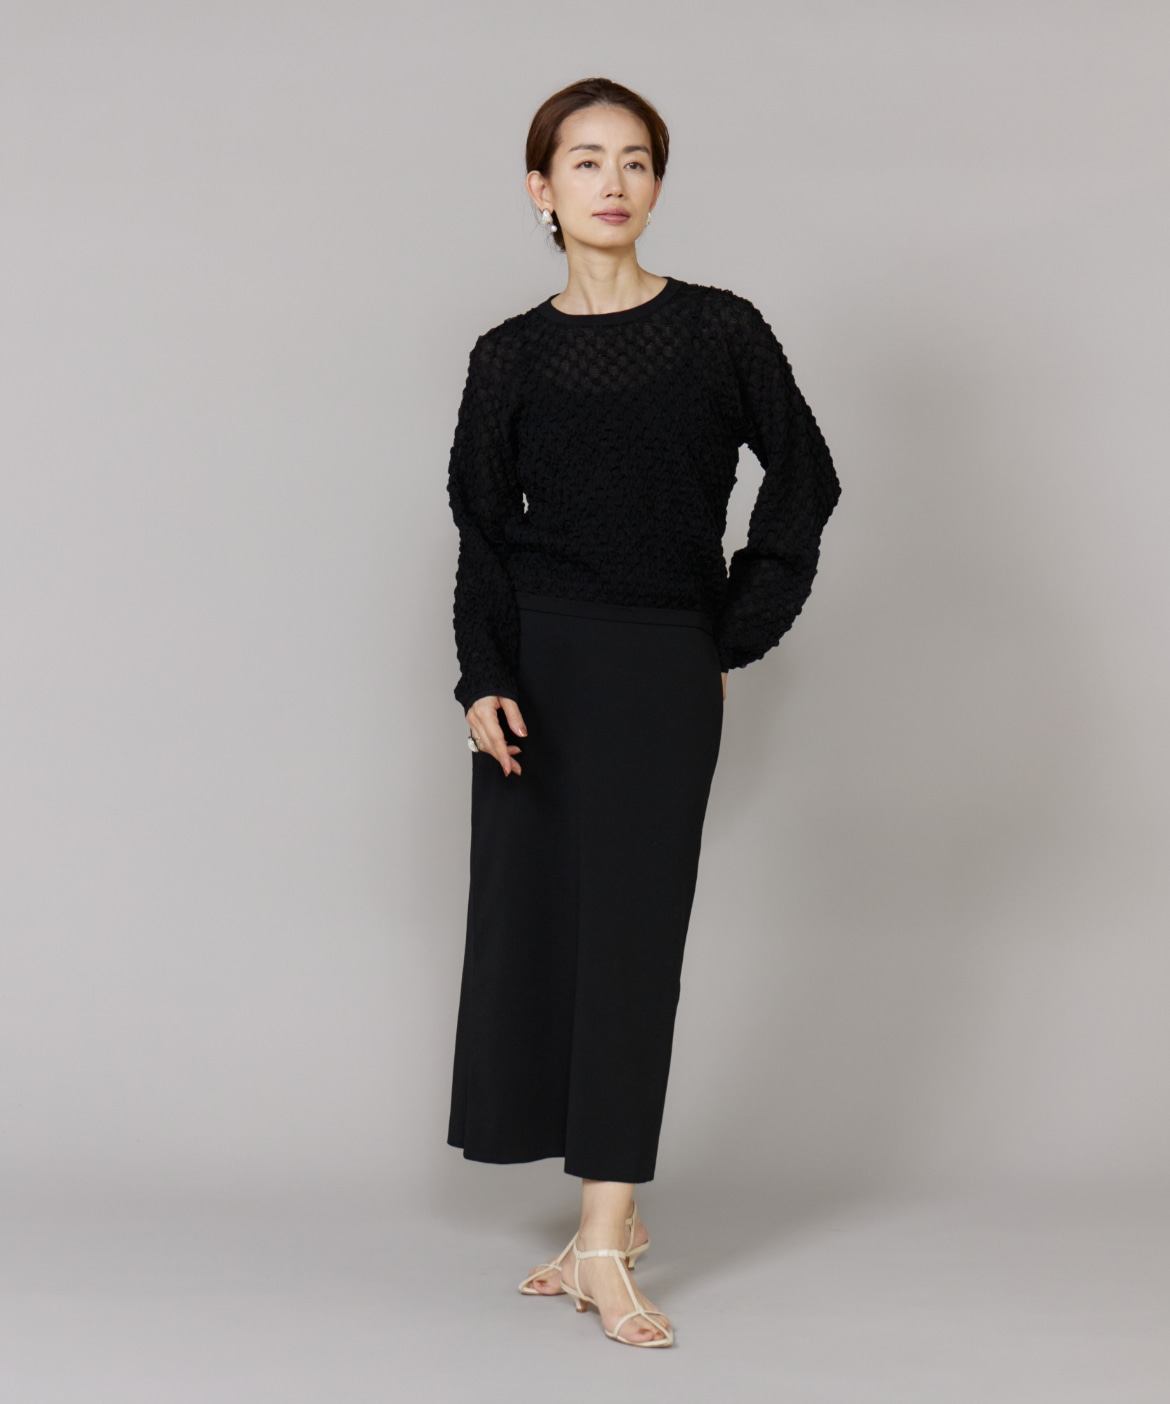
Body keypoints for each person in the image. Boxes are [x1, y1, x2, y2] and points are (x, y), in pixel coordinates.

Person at [444, 77, 842, 1348]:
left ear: (657, 185)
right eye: (585, 160)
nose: (611, 182)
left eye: (635, 161)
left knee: (631, 942)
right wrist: (483, 677)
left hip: (661, 663)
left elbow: (806, 476)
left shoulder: (720, 330)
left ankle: (608, 1239)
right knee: (535, 940)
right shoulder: (508, 356)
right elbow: (480, 534)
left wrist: (728, 633)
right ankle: (589, 1237)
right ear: (541, 189)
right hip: (536, 669)